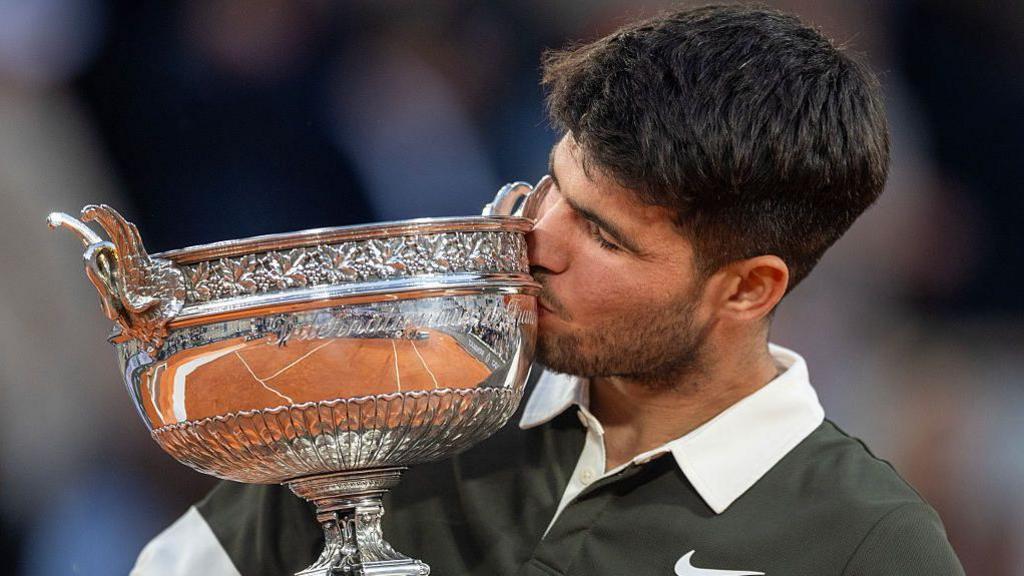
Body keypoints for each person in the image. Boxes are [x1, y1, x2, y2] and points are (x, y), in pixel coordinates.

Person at [132, 5, 965, 575]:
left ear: (747, 289)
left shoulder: (869, 544)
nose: (536, 241)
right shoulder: (408, 413)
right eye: (550, 185)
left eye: (605, 236)